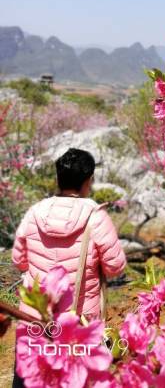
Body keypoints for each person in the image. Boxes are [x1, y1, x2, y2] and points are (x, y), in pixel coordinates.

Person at [11, 148, 126, 387]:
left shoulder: (35, 213)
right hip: (78, 327)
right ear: (88, 181)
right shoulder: (96, 217)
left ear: (58, 179)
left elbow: (18, 261)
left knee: (32, 378)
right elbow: (115, 267)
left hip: (36, 320)